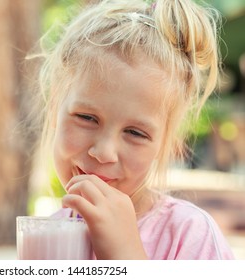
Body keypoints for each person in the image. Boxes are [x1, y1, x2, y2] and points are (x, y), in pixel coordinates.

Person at [31, 0, 235, 259]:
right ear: (54, 110)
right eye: (86, 117)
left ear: (166, 144)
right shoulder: (45, 236)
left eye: (135, 133)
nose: (104, 152)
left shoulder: (190, 235)